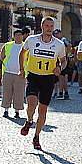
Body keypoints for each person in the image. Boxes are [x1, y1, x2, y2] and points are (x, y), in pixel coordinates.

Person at [19, 17, 66, 150]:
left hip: (48, 79)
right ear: (42, 26)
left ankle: (37, 136)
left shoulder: (59, 44)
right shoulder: (32, 40)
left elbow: (63, 60)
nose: (49, 28)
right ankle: (29, 120)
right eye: (47, 26)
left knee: (43, 110)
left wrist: (60, 68)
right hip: (33, 76)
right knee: (31, 104)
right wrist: (22, 69)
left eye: (51, 26)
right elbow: (22, 53)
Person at [0, 28, 27, 118]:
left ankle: (17, 111)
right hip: (8, 72)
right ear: (14, 36)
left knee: (19, 93)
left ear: (22, 36)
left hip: (20, 73)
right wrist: (6, 63)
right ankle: (6, 110)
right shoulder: (7, 45)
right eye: (16, 35)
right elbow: (2, 56)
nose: (18, 37)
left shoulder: (26, 47)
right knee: (7, 92)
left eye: (20, 35)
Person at [54, 29, 72, 100]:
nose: (56, 35)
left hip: (63, 59)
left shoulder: (63, 40)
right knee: (61, 77)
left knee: (63, 77)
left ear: (60, 33)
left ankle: (63, 92)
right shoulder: (56, 40)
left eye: (57, 33)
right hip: (58, 59)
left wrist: (67, 53)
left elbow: (69, 46)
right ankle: (63, 92)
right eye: (55, 34)